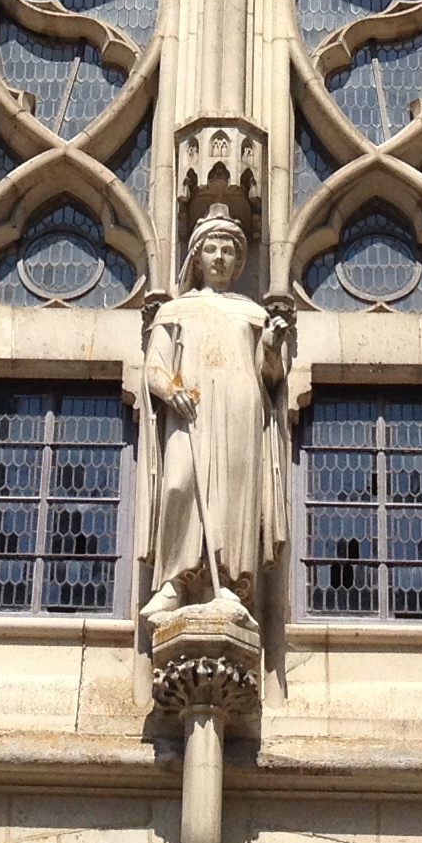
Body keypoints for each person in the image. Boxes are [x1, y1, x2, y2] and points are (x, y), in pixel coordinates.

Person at [145, 208, 287, 627]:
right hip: (189, 408)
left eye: (229, 249)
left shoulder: (252, 313)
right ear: (197, 256)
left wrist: (273, 346)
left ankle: (228, 584)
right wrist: (171, 390)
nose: (220, 256)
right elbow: (154, 366)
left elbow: (271, 377)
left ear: (240, 262)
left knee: (233, 496)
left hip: (241, 408)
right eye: (212, 247)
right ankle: (173, 583)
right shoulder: (174, 311)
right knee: (179, 484)